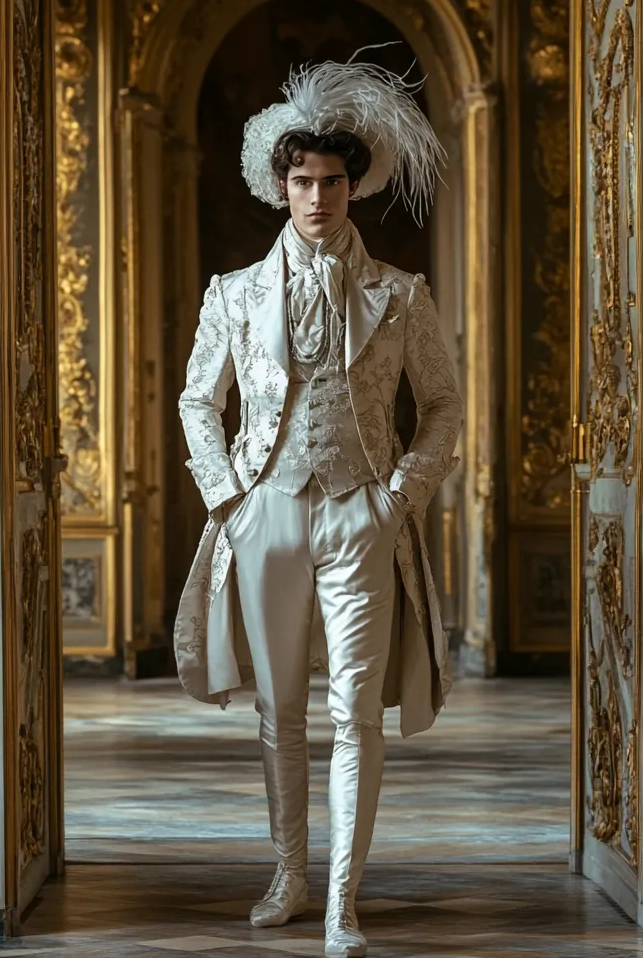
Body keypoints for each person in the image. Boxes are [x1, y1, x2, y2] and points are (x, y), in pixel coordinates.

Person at [174, 55, 462, 958]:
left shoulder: (400, 295)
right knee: (278, 712)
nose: (318, 197)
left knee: (354, 711)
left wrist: (399, 495)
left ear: (353, 187)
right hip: (266, 514)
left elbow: (444, 405)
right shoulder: (234, 294)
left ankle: (344, 899)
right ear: (280, 185)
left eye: (333, 182)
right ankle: (289, 875)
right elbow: (196, 402)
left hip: (360, 515)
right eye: (303, 181)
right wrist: (228, 499)